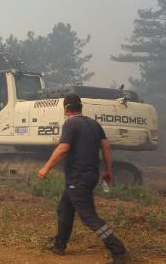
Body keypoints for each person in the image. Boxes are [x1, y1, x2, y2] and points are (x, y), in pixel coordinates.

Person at [37, 93, 129, 264]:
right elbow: (106, 148)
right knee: (65, 208)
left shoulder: (70, 124)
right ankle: (59, 245)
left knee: (88, 216)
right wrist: (108, 171)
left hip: (77, 178)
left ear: (66, 109)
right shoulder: (94, 124)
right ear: (80, 107)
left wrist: (46, 167)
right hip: (90, 175)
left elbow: (63, 148)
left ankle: (119, 251)